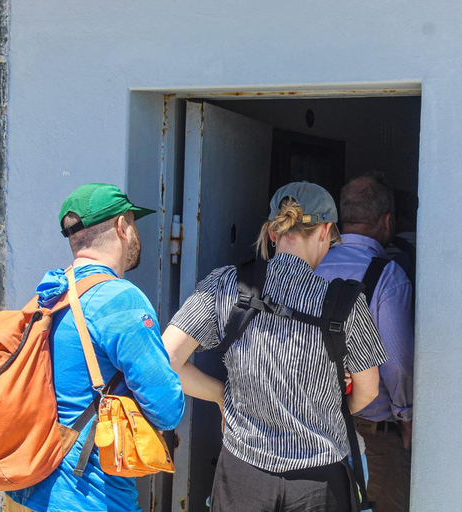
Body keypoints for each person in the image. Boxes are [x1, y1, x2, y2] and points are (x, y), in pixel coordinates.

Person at [163, 181, 387, 512]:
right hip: (319, 482)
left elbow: (165, 358)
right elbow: (368, 391)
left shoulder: (226, 285)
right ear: (326, 232)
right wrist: (328, 410)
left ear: (272, 232)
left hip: (242, 475)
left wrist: (219, 395)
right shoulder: (346, 304)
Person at [4, 183, 185, 512]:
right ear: (121, 226)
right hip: (88, 498)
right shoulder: (121, 299)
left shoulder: (48, 293)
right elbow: (167, 409)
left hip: (27, 490)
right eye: (133, 221)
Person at [316, 173, 414, 512]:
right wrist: (406, 417)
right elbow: (397, 363)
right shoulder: (388, 277)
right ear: (388, 222)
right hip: (374, 433)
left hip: (312, 421)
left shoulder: (310, 266)